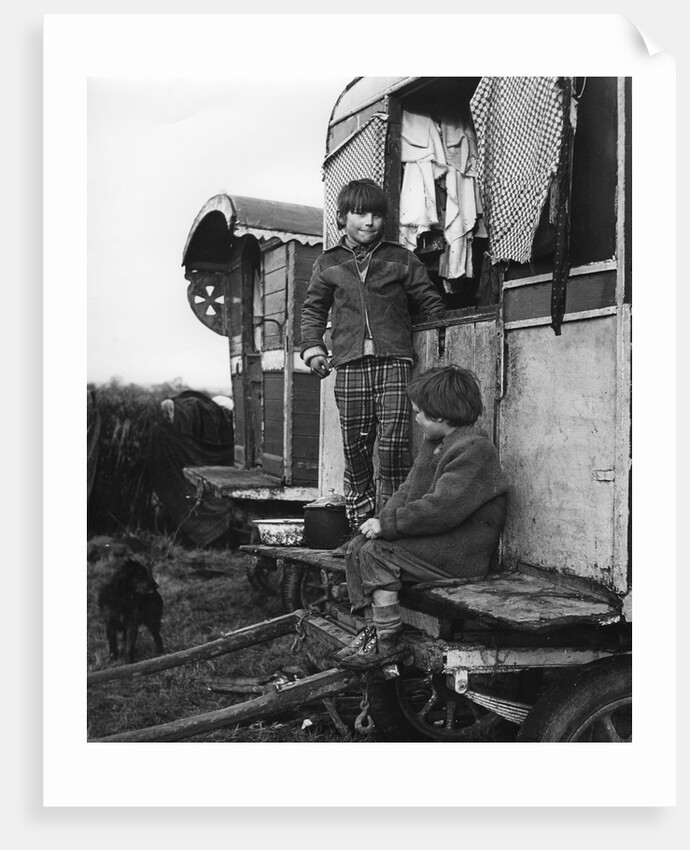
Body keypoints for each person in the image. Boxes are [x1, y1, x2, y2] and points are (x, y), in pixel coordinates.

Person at [300, 179, 445, 549]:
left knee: (395, 444)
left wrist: (440, 342)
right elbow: (313, 310)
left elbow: (429, 300)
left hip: (394, 362)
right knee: (355, 445)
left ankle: (390, 522)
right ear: (342, 218)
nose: (369, 222)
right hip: (348, 364)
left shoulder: (400, 258)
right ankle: (358, 523)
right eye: (360, 213)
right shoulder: (328, 262)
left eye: (377, 215)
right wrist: (313, 349)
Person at [336, 365, 509, 669]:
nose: (415, 420)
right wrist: (380, 523)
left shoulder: (474, 449)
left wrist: (389, 526)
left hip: (460, 553)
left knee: (377, 554)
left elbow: (442, 509)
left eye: (419, 414)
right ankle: (372, 632)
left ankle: (388, 641)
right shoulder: (434, 445)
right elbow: (407, 492)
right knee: (358, 547)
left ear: (440, 416)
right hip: (438, 544)